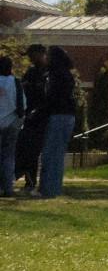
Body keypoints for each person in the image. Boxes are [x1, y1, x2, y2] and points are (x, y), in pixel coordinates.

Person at [34, 46, 77, 198]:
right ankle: (53, 188)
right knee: (57, 154)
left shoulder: (56, 75)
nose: (45, 58)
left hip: (58, 115)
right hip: (68, 116)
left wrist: (39, 111)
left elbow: (52, 98)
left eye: (48, 56)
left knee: (50, 154)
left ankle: (48, 189)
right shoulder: (67, 74)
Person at [16, 44, 46, 195]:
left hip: (42, 118)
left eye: (32, 55)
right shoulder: (31, 73)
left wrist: (38, 110)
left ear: (40, 53)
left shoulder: (47, 73)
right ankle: (27, 180)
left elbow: (47, 98)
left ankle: (34, 183)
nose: (30, 58)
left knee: (34, 152)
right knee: (26, 150)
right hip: (29, 118)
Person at [0, 55, 19, 197]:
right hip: (12, 123)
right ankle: (8, 187)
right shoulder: (16, 82)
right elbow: (22, 104)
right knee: (9, 156)